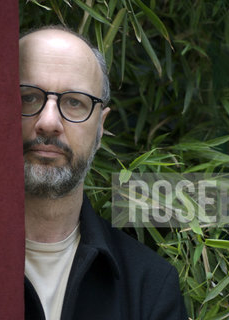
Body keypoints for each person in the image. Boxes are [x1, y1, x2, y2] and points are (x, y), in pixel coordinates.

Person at [20, 26, 187, 320]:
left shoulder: (148, 286)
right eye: (28, 97)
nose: (48, 122)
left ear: (100, 126)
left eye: (74, 102)